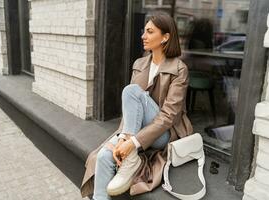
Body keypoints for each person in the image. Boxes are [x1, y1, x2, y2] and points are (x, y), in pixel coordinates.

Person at [80, 12, 193, 200]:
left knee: (131, 91)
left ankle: (131, 158)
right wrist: (123, 138)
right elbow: (130, 110)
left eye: (150, 32)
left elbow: (168, 117)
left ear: (165, 37)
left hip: (164, 133)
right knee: (103, 157)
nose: (143, 36)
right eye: (144, 31)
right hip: (136, 131)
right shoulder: (139, 64)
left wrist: (131, 143)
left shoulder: (179, 69)